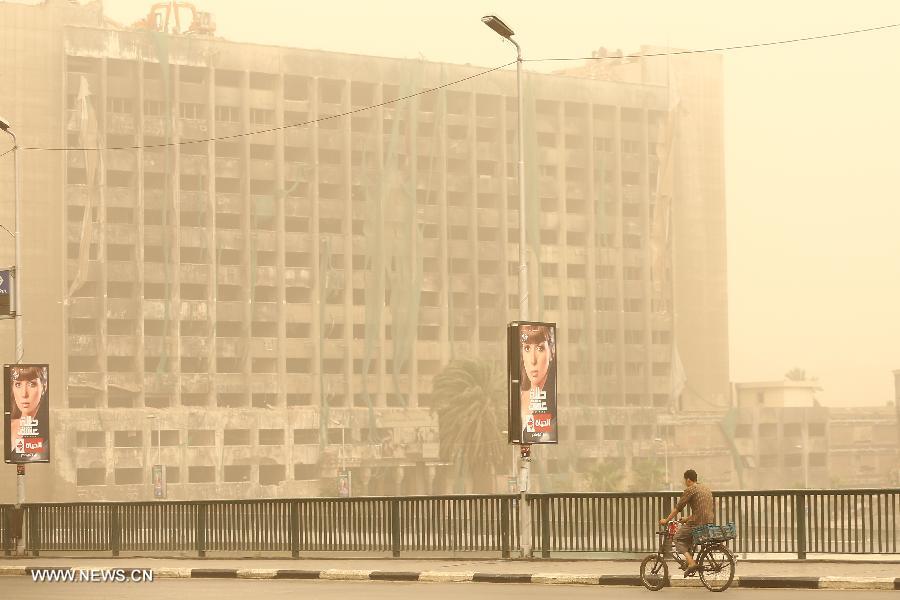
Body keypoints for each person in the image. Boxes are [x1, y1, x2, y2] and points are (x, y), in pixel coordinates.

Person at [659, 469, 714, 576]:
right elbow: (701, 510)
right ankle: (688, 561)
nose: (684, 482)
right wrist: (687, 519)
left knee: (677, 538)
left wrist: (666, 520)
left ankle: (691, 563)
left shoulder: (690, 489)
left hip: (697, 523)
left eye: (684, 480)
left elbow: (678, 508)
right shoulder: (705, 488)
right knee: (687, 537)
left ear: (688, 480)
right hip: (708, 522)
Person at [518, 324, 557, 443]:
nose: (533, 360)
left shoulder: (554, 401)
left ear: (551, 352)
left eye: (540, 348)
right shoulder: (516, 393)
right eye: (527, 348)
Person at [8, 365, 50, 460]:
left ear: (44, 387)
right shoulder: (7, 425)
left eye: (32, 384)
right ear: (12, 388)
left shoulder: (47, 431)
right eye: (18, 384)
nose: (24, 394)